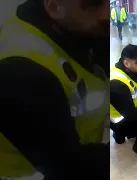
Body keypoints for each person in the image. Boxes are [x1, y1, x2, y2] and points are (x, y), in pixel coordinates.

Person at [0, 0, 110, 179]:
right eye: (93, 4)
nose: (107, 14)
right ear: (54, 6)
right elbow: (69, 167)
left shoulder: (76, 29)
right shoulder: (21, 74)